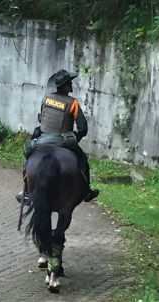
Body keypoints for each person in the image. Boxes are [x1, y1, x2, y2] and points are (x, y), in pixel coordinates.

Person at [17, 70, 99, 203]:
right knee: (83, 160)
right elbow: (83, 128)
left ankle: (26, 190)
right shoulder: (73, 103)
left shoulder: (46, 98)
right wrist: (75, 138)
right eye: (70, 83)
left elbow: (42, 118)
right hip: (63, 141)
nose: (71, 85)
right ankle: (87, 191)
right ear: (66, 86)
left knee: (28, 155)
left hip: (43, 138)